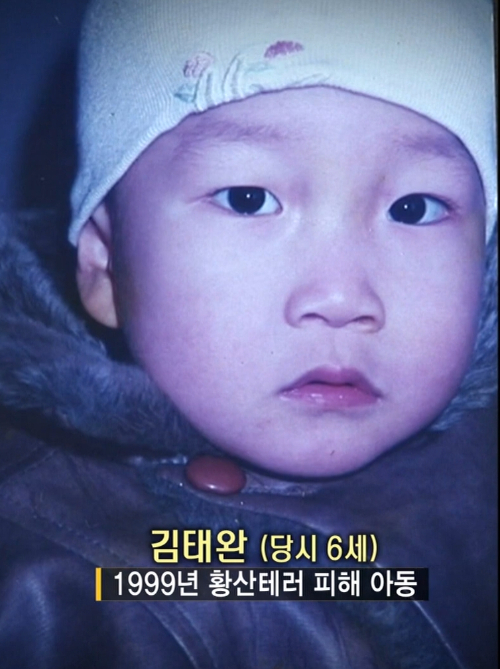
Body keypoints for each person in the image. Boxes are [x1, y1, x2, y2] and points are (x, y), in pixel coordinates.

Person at [0, 0, 496, 667]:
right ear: (106, 265)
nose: (341, 297)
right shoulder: (41, 586)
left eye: (415, 207)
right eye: (248, 198)